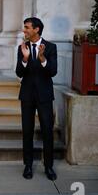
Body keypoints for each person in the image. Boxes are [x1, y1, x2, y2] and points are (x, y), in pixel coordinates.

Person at [15, 17, 57, 181]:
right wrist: (25, 58)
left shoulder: (51, 47)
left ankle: (49, 166)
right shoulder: (22, 48)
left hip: (45, 95)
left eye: (27, 27)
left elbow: (53, 71)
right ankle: (28, 165)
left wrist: (42, 58)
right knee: (27, 131)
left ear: (36, 29)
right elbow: (19, 73)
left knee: (47, 130)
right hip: (27, 95)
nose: (24, 30)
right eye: (24, 27)